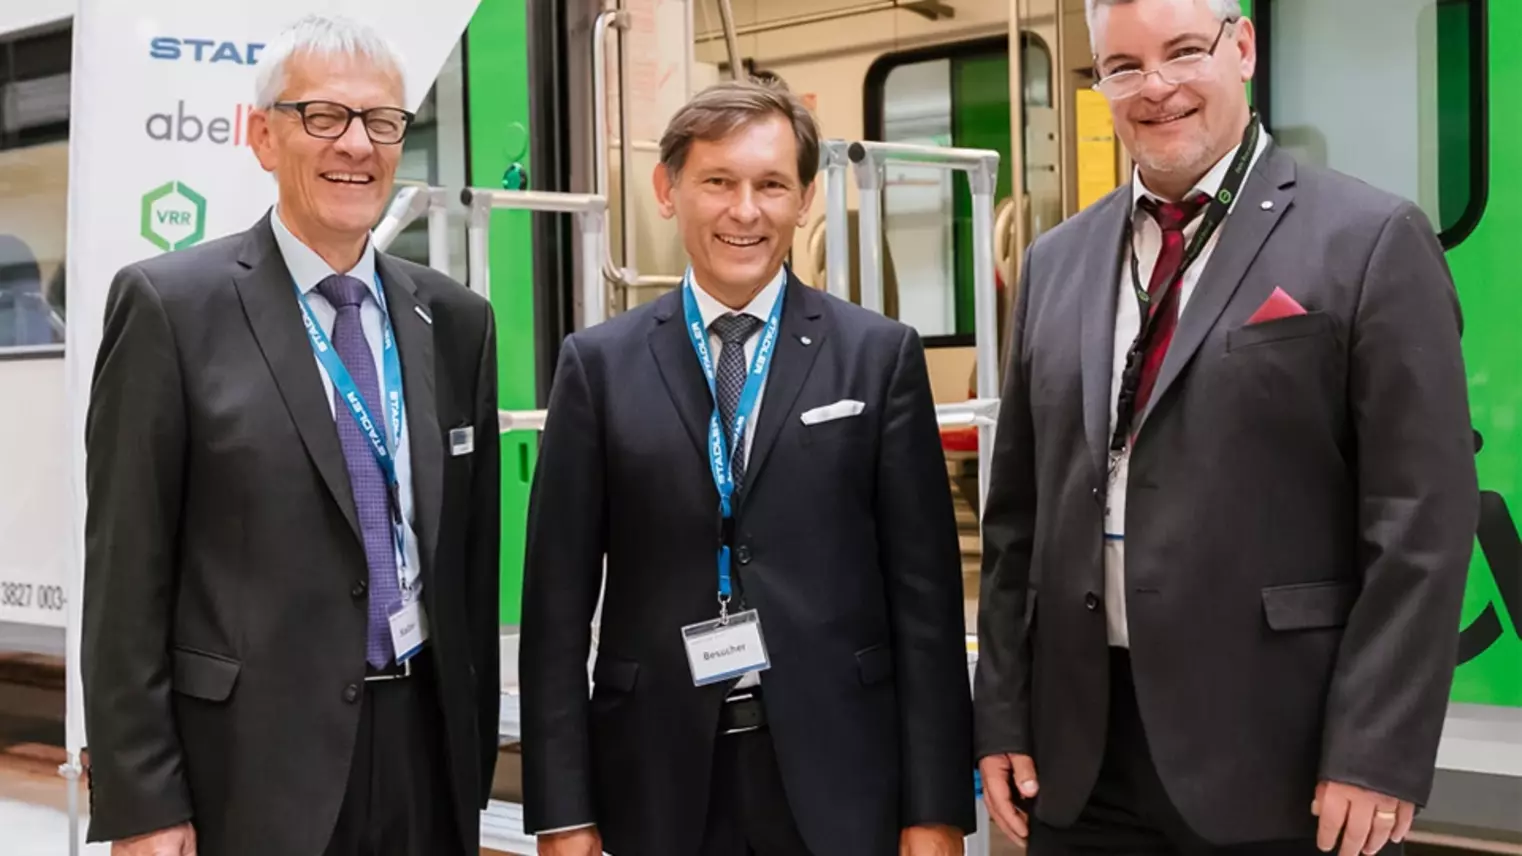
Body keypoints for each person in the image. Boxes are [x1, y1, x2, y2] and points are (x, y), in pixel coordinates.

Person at [973, 1, 1478, 855]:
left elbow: (1420, 520)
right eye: (1123, 66)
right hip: (1079, 759)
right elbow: (1016, 520)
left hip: (1284, 758)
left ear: (1242, 47)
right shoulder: (1056, 262)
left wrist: (1378, 746)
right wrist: (1001, 713)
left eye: (1182, 52)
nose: (1155, 88)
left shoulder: (1371, 240)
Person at [519, 78, 975, 856]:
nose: (744, 211)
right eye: (717, 182)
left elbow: (926, 605)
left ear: (804, 199)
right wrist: (563, 812)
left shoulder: (876, 356)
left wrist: (936, 811)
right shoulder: (597, 367)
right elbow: (555, 614)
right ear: (668, 191)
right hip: (656, 777)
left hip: (841, 775)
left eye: (771, 185)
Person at [81, 15, 500, 856]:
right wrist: (145, 804)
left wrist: (470, 759)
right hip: (250, 771)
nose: (357, 145)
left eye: (381, 122)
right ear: (264, 136)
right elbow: (127, 581)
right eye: (323, 117)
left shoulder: (455, 320)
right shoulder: (172, 309)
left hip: (424, 750)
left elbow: (470, 567)